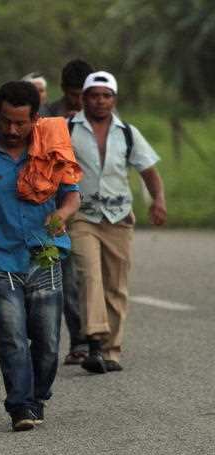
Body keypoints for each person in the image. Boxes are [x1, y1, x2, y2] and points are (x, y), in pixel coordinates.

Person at [0, 81, 82, 432]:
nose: (11, 129)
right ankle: (19, 405)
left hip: (44, 256)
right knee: (12, 336)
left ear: (35, 119)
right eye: (5, 121)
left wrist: (61, 215)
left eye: (20, 123)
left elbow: (72, 195)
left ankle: (37, 397)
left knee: (48, 341)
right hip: (0, 260)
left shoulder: (50, 150)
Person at [69, 71, 167, 374]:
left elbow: (148, 171)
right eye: (94, 95)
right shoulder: (68, 128)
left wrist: (158, 201)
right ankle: (94, 342)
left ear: (114, 99)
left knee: (116, 284)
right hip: (82, 215)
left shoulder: (127, 133)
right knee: (89, 276)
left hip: (118, 217)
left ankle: (111, 351)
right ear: (84, 98)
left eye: (106, 96)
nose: (100, 101)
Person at [43, 59, 95, 365]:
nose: (80, 101)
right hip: (60, 205)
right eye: (74, 95)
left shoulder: (100, 114)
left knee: (92, 276)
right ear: (64, 90)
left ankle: (97, 336)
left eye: (83, 94)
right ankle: (79, 339)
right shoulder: (48, 114)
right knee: (67, 277)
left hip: (93, 206)